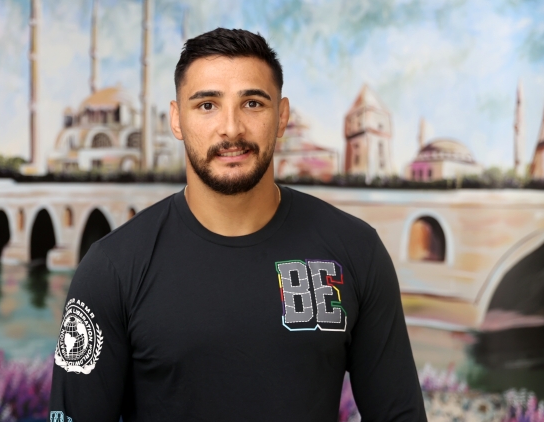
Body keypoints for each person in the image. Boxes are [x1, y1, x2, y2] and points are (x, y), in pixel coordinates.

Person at [50, 28, 426, 421]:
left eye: (252, 103)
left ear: (281, 117)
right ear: (176, 120)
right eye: (207, 105)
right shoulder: (111, 268)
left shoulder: (356, 251)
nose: (231, 128)